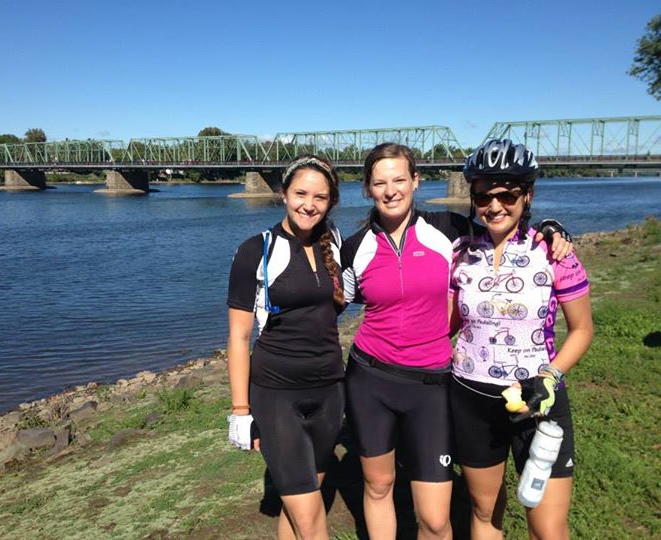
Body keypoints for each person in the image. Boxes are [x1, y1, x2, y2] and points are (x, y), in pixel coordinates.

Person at [340, 143, 572, 540]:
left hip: (431, 383)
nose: (390, 190)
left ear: (416, 181)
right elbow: (331, 305)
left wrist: (550, 230)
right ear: (367, 189)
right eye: (379, 182)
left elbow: (503, 221)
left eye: (399, 179)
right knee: (378, 486)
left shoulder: (450, 230)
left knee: (434, 519)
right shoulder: (354, 247)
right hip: (369, 377)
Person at [449, 139, 593, 539]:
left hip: (539, 398)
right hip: (472, 395)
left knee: (547, 527)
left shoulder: (554, 252)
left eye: (507, 194)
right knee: (484, 513)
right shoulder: (461, 252)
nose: (494, 206)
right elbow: (448, 324)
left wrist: (551, 376)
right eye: (482, 196)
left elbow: (582, 329)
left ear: (527, 195)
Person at [226, 155, 346, 540]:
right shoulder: (255, 251)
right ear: (283, 194)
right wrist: (241, 410)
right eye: (300, 193)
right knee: (311, 521)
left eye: (320, 197)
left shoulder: (338, 243)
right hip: (277, 396)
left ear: (330, 202)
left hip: (330, 391)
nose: (308, 204)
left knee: (298, 512)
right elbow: (239, 337)